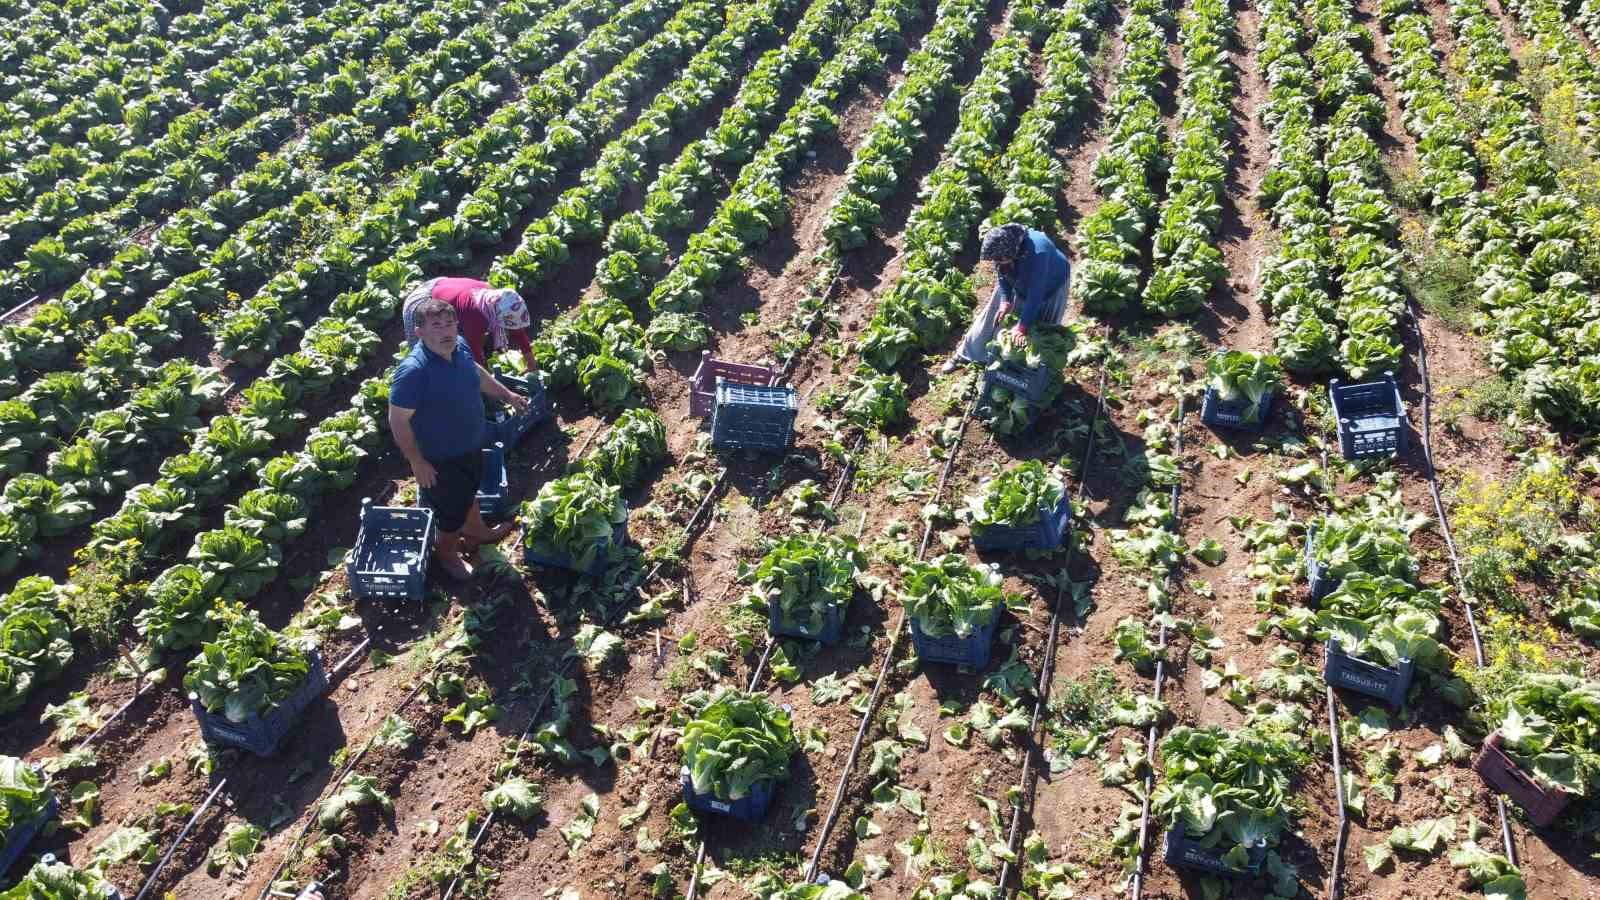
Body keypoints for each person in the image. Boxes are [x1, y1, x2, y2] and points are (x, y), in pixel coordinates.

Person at [389, 298, 530, 580]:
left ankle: (476, 529)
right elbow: (397, 419)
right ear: (419, 332)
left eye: (450, 323)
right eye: (436, 326)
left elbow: (476, 374)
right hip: (441, 458)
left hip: (472, 442)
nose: (446, 331)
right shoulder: (414, 372)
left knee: (470, 491)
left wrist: (507, 394)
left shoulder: (460, 346)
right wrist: (416, 462)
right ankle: (447, 554)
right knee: (450, 514)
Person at [942, 223, 1072, 372]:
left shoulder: (1038, 251)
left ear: (1011, 254)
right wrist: (1005, 300)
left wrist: (1022, 327)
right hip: (1021, 276)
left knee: (1038, 328)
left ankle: (1021, 370)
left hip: (1050, 284)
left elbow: (1036, 294)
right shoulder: (1005, 247)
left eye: (999, 259)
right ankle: (966, 354)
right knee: (992, 316)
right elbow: (1002, 273)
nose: (995, 263)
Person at [402, 276, 539, 372]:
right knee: (429, 349)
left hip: (446, 288)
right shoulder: (475, 316)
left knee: (455, 337)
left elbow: (518, 331)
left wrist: (531, 362)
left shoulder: (496, 300)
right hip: (424, 299)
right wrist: (489, 383)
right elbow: (475, 354)